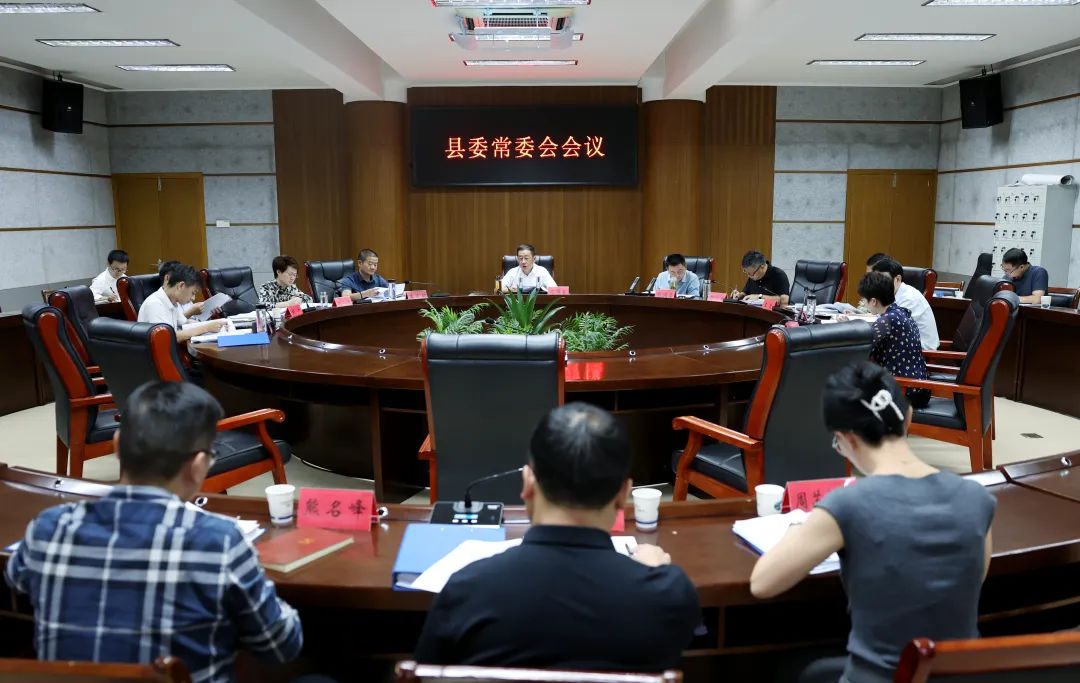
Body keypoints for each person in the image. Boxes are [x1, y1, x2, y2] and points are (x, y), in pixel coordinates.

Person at [4, 381, 303, 682]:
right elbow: (280, 646)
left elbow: (16, 579)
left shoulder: (49, 527)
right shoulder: (219, 542)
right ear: (198, 466)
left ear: (117, 446)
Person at [749, 362, 995, 683]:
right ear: (908, 418)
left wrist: (800, 530)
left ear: (847, 439)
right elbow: (973, 578)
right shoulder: (976, 498)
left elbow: (762, 584)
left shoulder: (847, 504)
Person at [414, 402, 700, 671]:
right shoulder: (668, 594)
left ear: (528, 483)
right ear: (622, 495)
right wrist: (657, 573)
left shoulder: (466, 590)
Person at [855, 271, 930, 408]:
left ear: (873, 301)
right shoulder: (901, 312)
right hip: (918, 387)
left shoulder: (887, 321)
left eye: (864, 300)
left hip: (906, 390)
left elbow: (862, 349)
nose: (863, 304)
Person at [138, 264, 226, 343]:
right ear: (181, 286)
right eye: (193, 293)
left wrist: (217, 323)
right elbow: (169, 337)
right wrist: (206, 328)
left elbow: (185, 322)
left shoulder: (172, 301)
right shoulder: (155, 304)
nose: (193, 298)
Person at [867, 255, 939, 350]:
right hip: (902, 344)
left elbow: (887, 326)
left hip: (921, 350)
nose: (879, 284)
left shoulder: (909, 298)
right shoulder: (893, 294)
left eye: (884, 280)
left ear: (897, 279)